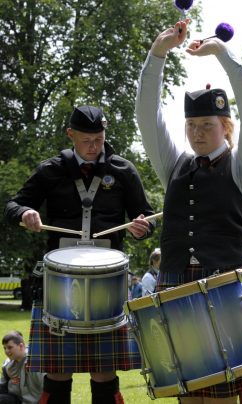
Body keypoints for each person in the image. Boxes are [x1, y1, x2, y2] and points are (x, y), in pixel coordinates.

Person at [136, 19, 242, 403]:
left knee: (220, 396)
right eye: (191, 125)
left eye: (207, 124)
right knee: (187, 394)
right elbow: (145, 117)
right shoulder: (174, 166)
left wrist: (223, 53)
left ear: (227, 127)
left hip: (225, 286)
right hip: (176, 282)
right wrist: (157, 54)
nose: (197, 132)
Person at [4, 105, 155, 404]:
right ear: (70, 134)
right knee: (57, 370)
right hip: (60, 280)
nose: (93, 146)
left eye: (99, 139)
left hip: (107, 282)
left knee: (104, 371)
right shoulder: (50, 170)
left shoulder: (123, 170)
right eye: (86, 140)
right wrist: (26, 212)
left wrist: (142, 227)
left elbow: (147, 217)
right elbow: (13, 206)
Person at [0, 331, 44, 404]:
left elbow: (47, 391)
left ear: (21, 346)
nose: (6, 351)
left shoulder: (35, 364)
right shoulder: (7, 364)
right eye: (4, 348)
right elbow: (2, 386)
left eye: (10, 347)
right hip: (17, 399)